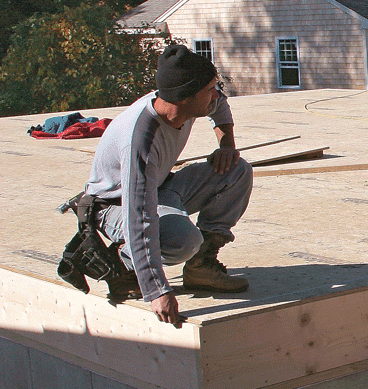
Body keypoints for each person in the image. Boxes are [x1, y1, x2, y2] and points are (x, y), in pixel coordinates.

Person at [82, 44, 253, 326]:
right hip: (115, 205)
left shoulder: (185, 100)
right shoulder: (141, 141)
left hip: (161, 187)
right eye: (211, 87)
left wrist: (227, 146)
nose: (216, 93)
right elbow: (139, 215)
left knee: (236, 170)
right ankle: (126, 267)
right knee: (183, 241)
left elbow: (219, 103)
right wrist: (156, 289)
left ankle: (201, 266)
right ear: (185, 96)